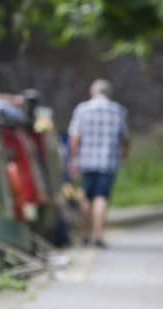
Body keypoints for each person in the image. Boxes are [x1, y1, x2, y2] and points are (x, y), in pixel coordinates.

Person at [68, 79, 130, 248]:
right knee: (101, 197)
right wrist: (124, 154)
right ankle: (97, 235)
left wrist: (73, 159)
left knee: (86, 197)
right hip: (108, 160)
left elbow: (74, 137)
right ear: (109, 93)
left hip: (86, 160)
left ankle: (84, 235)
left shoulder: (82, 109)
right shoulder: (118, 110)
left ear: (92, 92)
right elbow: (125, 138)